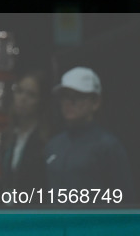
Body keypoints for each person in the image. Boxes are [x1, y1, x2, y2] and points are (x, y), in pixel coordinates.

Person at [45, 66, 135, 207]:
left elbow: (125, 200)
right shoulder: (53, 145)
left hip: (95, 227)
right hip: (57, 226)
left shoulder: (108, 146)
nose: (69, 103)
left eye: (76, 97)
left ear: (95, 102)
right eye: (64, 97)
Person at [0, 70, 51, 207]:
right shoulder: (8, 136)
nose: (23, 98)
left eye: (31, 95)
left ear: (40, 101)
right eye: (19, 91)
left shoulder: (46, 140)